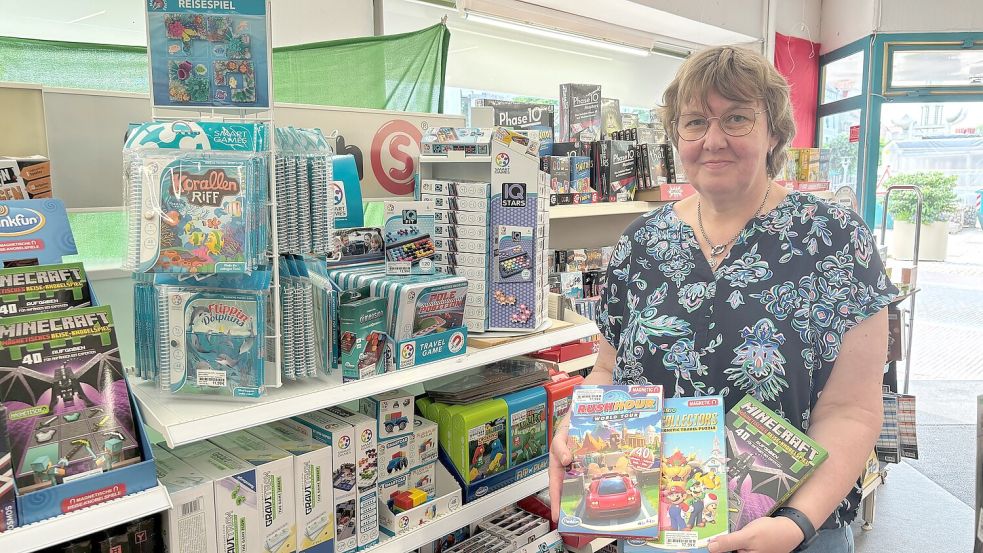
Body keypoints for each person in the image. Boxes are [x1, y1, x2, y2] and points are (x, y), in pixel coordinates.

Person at [549, 46, 896, 553]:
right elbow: (608, 371)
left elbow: (852, 411)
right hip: (655, 535)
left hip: (793, 532)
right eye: (695, 122)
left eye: (736, 118)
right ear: (676, 137)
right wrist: (576, 427)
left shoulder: (837, 240)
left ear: (774, 131)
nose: (713, 140)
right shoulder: (639, 243)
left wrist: (797, 522)